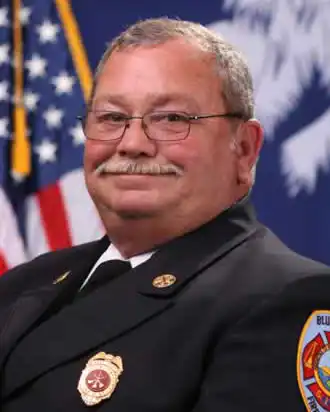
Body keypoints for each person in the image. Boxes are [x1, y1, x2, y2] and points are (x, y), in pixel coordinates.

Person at [0, 17, 329, 411]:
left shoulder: (288, 298)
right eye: (112, 118)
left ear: (243, 149)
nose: (132, 143)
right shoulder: (23, 285)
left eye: (172, 119)